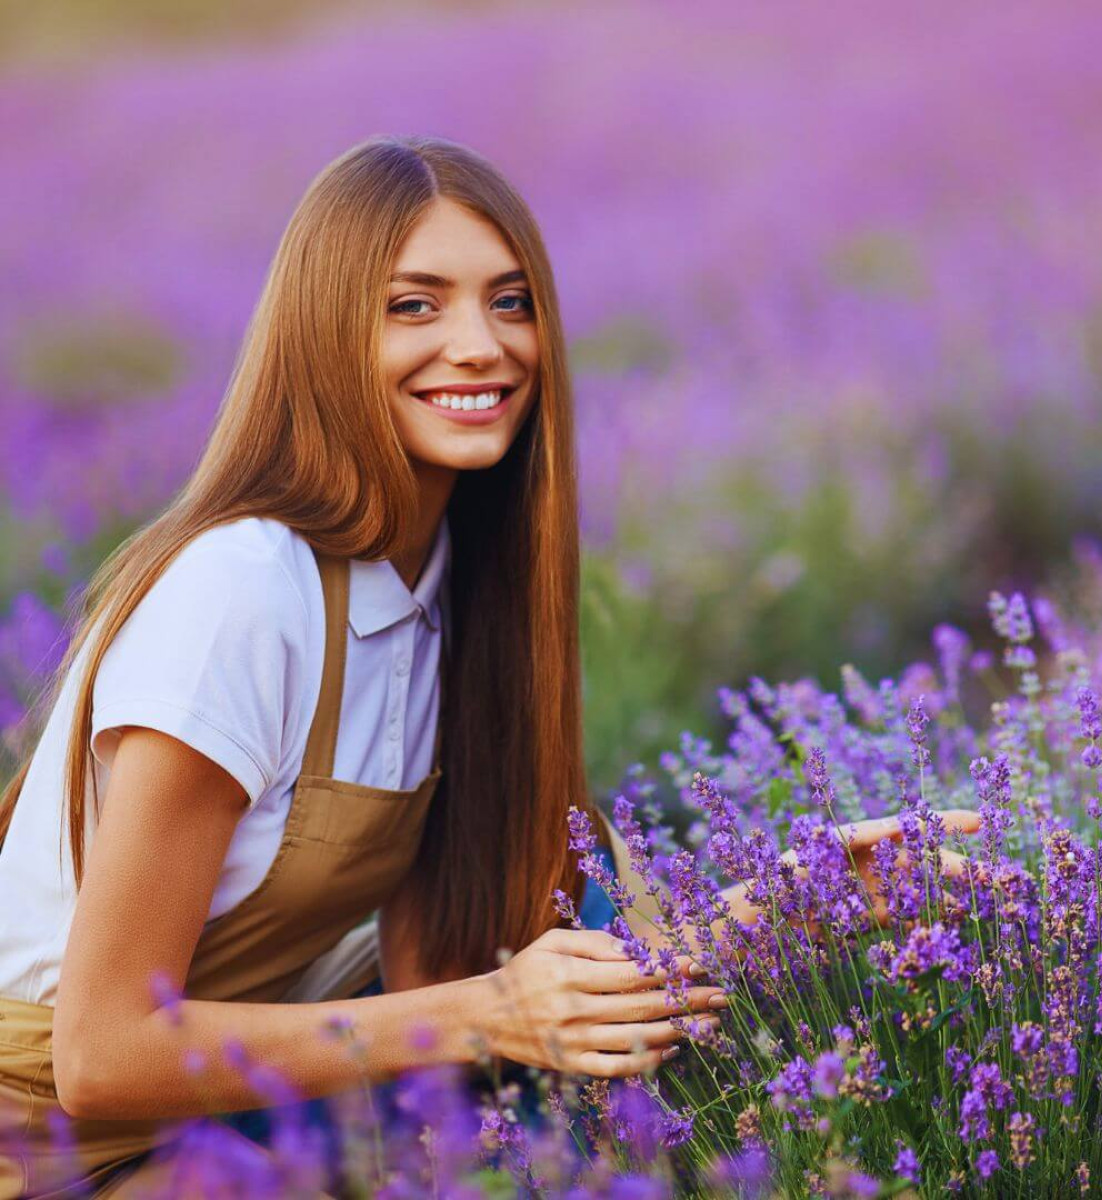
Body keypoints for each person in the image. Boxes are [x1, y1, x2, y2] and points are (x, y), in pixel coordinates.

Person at [0, 136, 979, 1198]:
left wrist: (780, 913)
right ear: (324, 333)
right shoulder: (242, 591)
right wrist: (493, 1011)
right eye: (413, 306)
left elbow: (467, 982)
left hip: (202, 1137)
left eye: (511, 303)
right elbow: (99, 1057)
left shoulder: (453, 594)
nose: (480, 346)